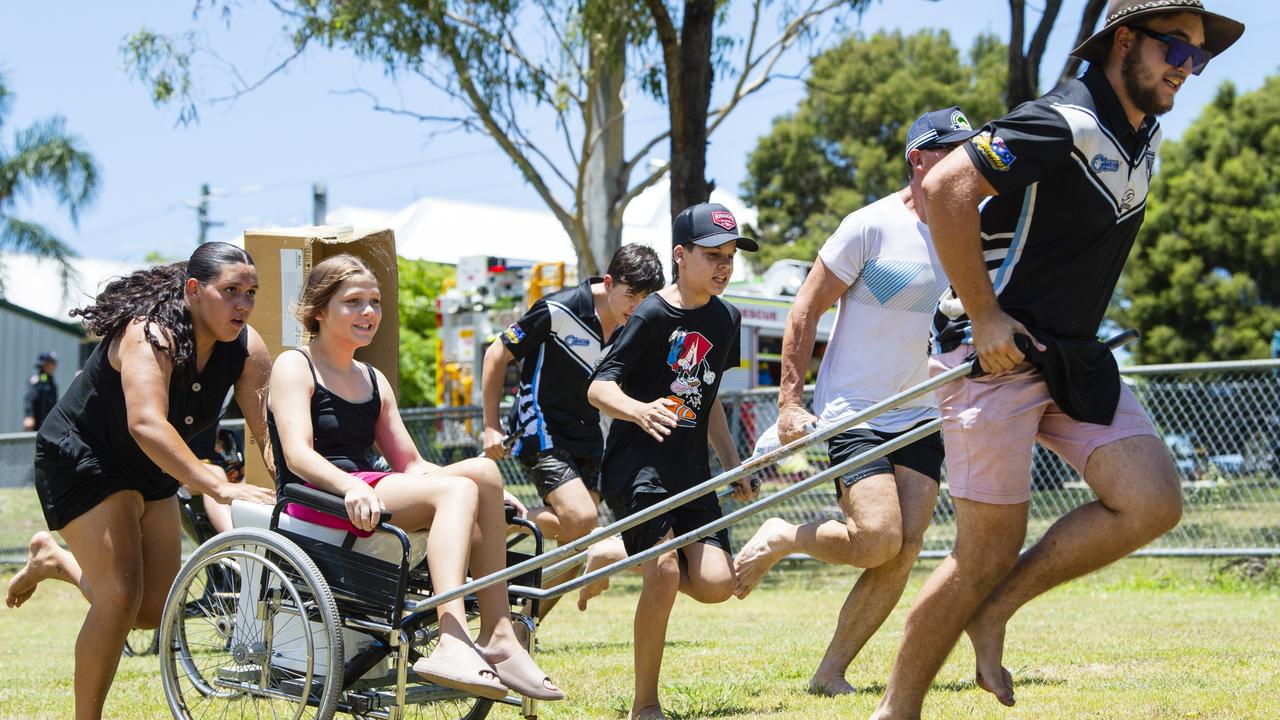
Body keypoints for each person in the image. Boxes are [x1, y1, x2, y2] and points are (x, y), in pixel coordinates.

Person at [872, 2, 1244, 718]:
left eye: (1199, 56)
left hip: (1068, 357)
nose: (1187, 68)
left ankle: (995, 610)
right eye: (1176, 49)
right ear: (1125, 41)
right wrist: (983, 315)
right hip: (991, 359)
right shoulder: (1058, 120)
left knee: (1153, 499)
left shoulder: (1143, 134)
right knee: (982, 552)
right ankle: (897, 710)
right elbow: (948, 186)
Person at [731, 107, 978, 695]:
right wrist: (791, 404)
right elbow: (805, 310)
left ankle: (830, 672)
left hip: (918, 412)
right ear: (919, 158)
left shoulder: (964, 227)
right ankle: (784, 535)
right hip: (853, 412)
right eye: (953, 151)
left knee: (904, 547)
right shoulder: (869, 225)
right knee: (875, 538)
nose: (966, 162)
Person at [267, 254, 562, 702]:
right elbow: (297, 454)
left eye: (374, 302)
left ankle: (499, 635)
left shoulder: (372, 378)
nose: (369, 313)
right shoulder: (295, 365)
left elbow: (412, 464)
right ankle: (451, 638)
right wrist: (350, 486)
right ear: (318, 311)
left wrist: (489, 495)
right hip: (319, 497)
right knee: (460, 486)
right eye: (353, 302)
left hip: (368, 489)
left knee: (481, 472)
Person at [4, 242, 278, 720]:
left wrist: (294, 486)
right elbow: (147, 424)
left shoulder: (248, 347)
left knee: (152, 612)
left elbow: (266, 433)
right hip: (86, 457)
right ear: (194, 290)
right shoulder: (151, 334)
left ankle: (54, 560)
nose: (243, 304)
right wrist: (216, 485)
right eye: (230, 291)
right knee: (118, 597)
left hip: (154, 465)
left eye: (250, 293)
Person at [588, 203, 760, 720]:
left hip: (690, 469)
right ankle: (646, 706)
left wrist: (733, 464)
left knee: (715, 585)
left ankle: (616, 550)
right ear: (681, 256)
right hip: (636, 462)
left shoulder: (727, 317)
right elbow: (598, 387)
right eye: (712, 256)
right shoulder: (652, 314)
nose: (724, 267)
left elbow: (706, 405)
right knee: (662, 573)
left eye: (730, 256)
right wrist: (639, 411)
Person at [481, 244, 664, 616]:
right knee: (583, 522)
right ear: (608, 282)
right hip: (541, 423)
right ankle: (487, 519)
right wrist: (490, 426)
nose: (635, 306)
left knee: (577, 540)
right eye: (630, 295)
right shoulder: (558, 309)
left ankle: (524, 625)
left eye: (644, 299)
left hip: (590, 433)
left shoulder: (636, 327)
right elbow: (495, 355)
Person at [22, 351, 59, 431]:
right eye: (51, 362)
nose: (54, 365)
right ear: (44, 364)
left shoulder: (50, 382)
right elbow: (30, 398)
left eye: (54, 362)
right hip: (38, 426)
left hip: (50, 426)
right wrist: (29, 416)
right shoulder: (37, 380)